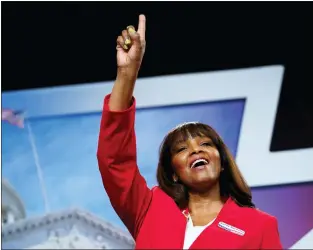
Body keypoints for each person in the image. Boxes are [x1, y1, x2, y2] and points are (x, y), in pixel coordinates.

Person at [97, 14, 282, 249]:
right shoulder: (150, 208)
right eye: (182, 149)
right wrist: (127, 73)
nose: (195, 150)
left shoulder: (259, 226)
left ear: (222, 161)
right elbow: (114, 160)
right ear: (173, 173)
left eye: (205, 144)